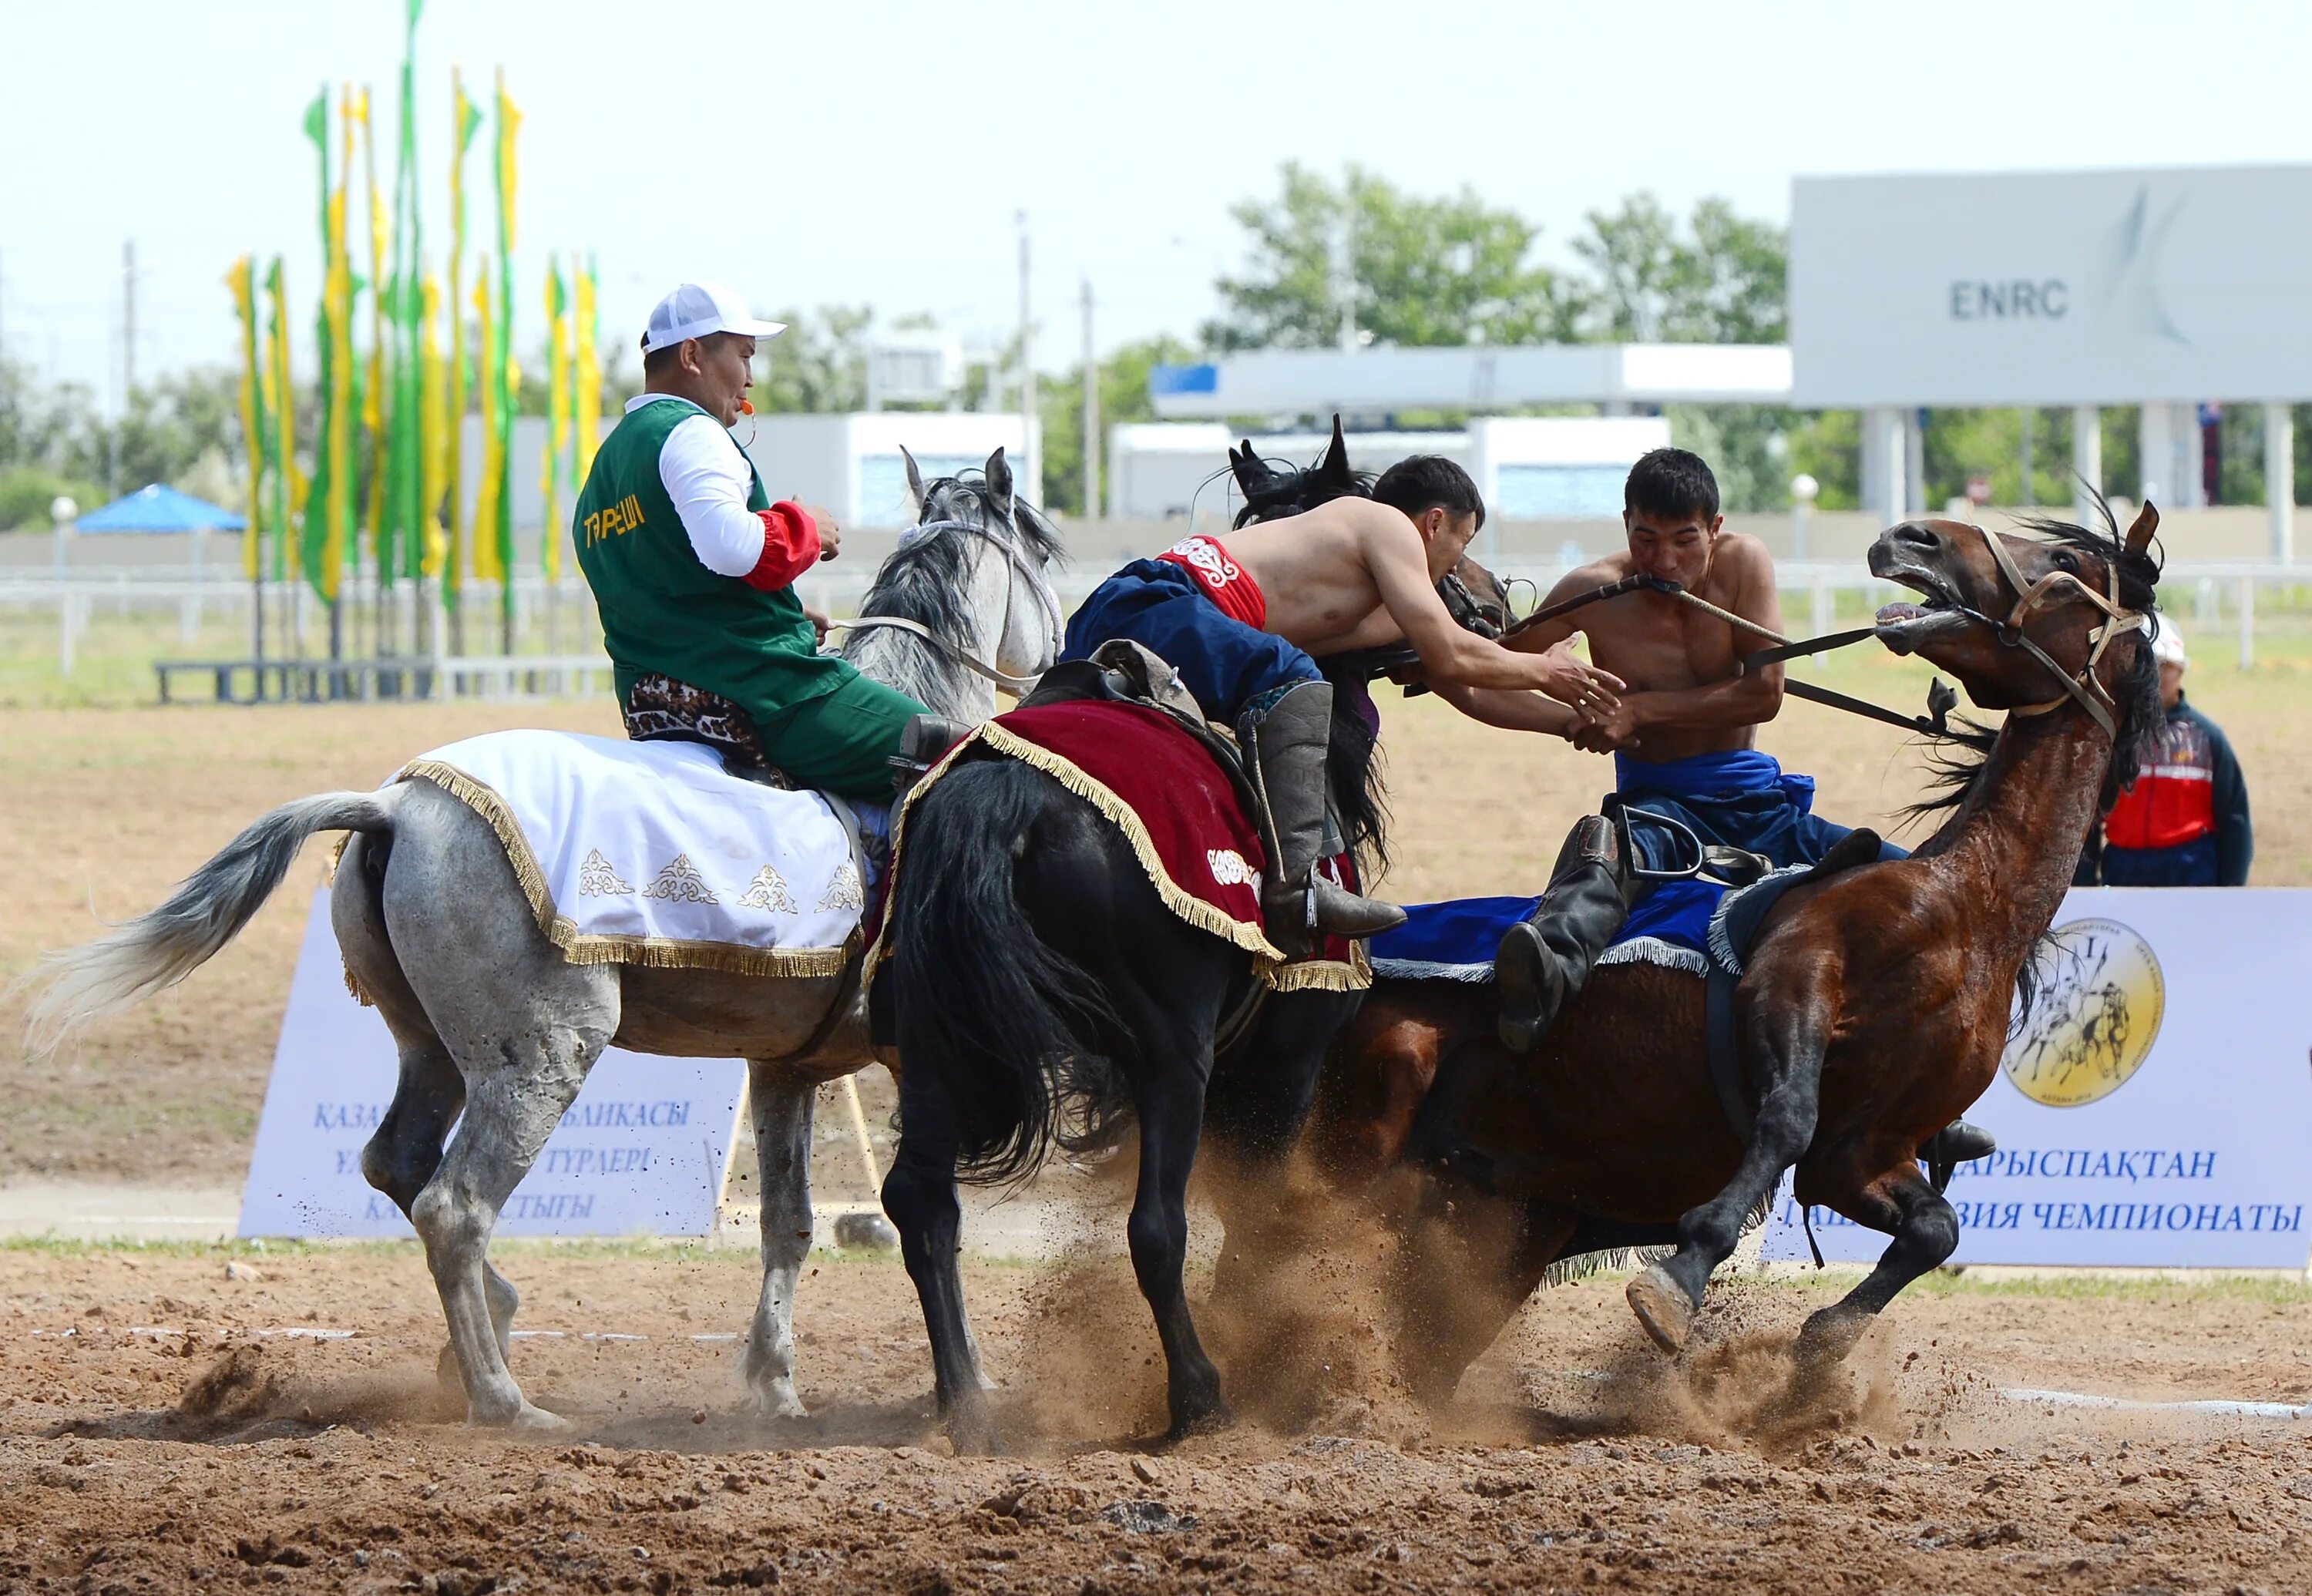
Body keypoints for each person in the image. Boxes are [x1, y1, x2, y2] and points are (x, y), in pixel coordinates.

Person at [1057, 455, 1621, 956]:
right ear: (1434, 522)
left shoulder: (1378, 588)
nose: (1458, 561)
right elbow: (1451, 655)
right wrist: (1546, 669)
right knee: (1293, 673)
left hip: (1131, 613)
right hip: (1158, 601)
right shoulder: (1382, 524)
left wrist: (1572, 722)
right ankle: (1299, 884)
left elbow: (1466, 685)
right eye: (1463, 543)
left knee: (1285, 667)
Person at [1490, 448, 1907, 1052]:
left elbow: (1765, 693)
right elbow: (1488, 673)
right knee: (1597, 873)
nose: (1664, 560)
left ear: (1715, 528)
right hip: (1655, 803)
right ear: (1625, 525)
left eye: (1685, 540)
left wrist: (1638, 708)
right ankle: (1535, 994)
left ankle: (1929, 1097)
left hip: (1756, 802)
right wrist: (1565, 719)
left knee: (1906, 883)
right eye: (1646, 539)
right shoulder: (1590, 591)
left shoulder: (1744, 561)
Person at [573, 282, 943, 801]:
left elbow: (679, 589)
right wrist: (806, 527)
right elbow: (730, 548)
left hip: (651, 702)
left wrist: (779, 613)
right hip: (766, 697)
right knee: (960, 751)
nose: (750, 377)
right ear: (692, 355)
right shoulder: (691, 431)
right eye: (744, 356)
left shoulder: (604, 469)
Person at [2074, 618, 2253, 885]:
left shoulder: (2208, 738)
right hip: (2124, 868)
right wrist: (2084, 884)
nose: (2155, 676)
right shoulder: (2112, 738)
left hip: (2191, 871)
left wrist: (2230, 889)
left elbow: (2235, 820)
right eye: (2147, 666)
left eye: (2164, 666)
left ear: (2181, 671)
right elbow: (2088, 818)